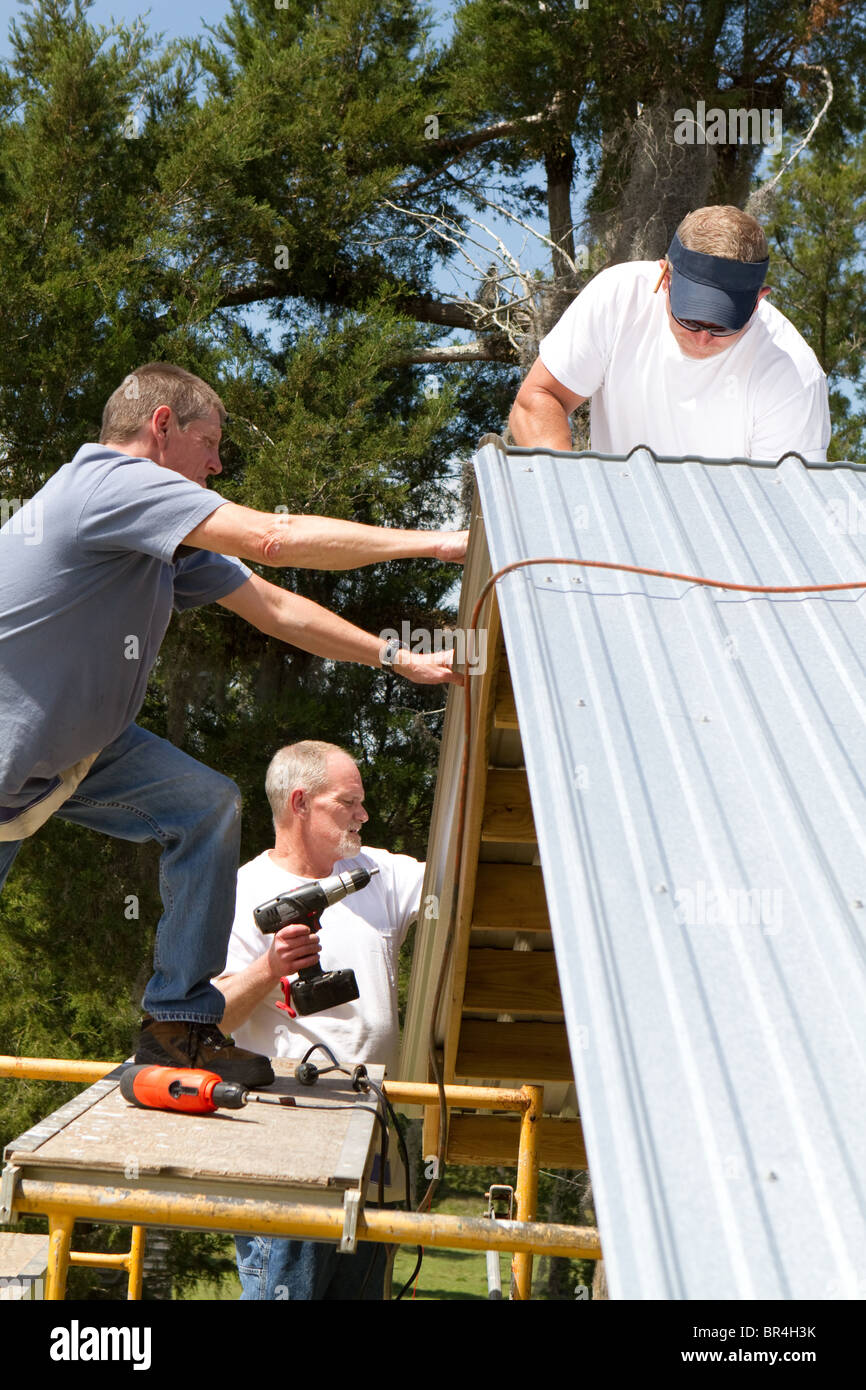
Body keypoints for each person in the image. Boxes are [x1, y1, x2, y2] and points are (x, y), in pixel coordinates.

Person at [0, 363, 461, 1088]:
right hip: (12, 762)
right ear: (161, 427)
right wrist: (434, 544)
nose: (216, 465)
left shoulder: (157, 539)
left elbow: (275, 607)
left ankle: (178, 1025)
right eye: (208, 443)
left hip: (68, 759)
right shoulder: (109, 482)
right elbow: (273, 539)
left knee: (204, 804)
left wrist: (393, 656)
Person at [215, 740, 423, 1300]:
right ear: (300, 803)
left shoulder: (374, 873)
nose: (364, 815)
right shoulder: (240, 893)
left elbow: (455, 881)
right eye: (348, 803)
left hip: (374, 1140)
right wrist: (270, 967)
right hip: (289, 1148)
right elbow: (212, 1020)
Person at [509, 204, 830, 463]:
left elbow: (782, 511)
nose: (703, 337)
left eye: (722, 324)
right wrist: (565, 489)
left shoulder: (793, 375)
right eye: (689, 319)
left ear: (758, 301)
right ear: (664, 279)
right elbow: (538, 399)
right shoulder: (619, 297)